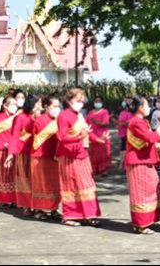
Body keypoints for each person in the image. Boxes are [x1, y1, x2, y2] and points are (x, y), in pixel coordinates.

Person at [56, 88, 101, 227]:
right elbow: (61, 137)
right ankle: (70, 216)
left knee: (87, 185)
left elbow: (86, 131)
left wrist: (98, 139)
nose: (80, 103)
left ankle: (88, 215)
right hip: (69, 156)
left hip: (82, 154)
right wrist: (78, 137)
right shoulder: (64, 116)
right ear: (69, 101)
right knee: (71, 186)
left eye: (82, 100)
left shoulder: (80, 115)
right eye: (78, 100)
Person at [125, 96, 160, 234]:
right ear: (141, 108)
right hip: (138, 162)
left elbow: (148, 141)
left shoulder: (141, 121)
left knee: (155, 190)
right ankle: (140, 224)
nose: (150, 107)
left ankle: (144, 221)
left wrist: (158, 146)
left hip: (144, 160)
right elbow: (152, 137)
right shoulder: (137, 122)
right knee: (142, 194)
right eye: (147, 105)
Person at [30, 96, 62, 221]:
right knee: (41, 184)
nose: (56, 109)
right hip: (40, 157)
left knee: (54, 184)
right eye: (54, 106)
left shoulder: (59, 120)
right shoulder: (39, 120)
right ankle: (38, 210)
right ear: (46, 107)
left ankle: (54, 209)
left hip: (54, 156)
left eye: (58, 106)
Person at [10, 94, 42, 216]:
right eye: (38, 103)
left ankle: (38, 205)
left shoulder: (40, 117)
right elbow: (14, 136)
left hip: (37, 154)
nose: (40, 106)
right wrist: (11, 154)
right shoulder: (20, 117)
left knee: (36, 180)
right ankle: (26, 206)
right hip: (23, 154)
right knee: (24, 180)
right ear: (33, 105)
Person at [86, 96, 111, 176]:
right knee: (93, 153)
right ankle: (94, 169)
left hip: (102, 135)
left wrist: (96, 122)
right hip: (92, 136)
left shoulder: (105, 112)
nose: (97, 103)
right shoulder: (90, 112)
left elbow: (106, 123)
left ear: (102, 103)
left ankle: (103, 170)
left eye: (99, 101)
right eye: (96, 101)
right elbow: (86, 123)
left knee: (103, 153)